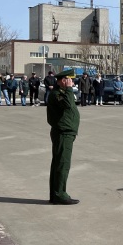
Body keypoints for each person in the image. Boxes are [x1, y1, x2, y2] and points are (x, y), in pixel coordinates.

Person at [47, 69, 80, 205]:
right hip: (63, 132)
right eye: (69, 79)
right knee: (62, 164)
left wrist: (68, 90)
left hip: (66, 132)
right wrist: (69, 89)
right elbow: (68, 105)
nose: (71, 82)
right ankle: (60, 194)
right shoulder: (57, 94)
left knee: (60, 163)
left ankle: (57, 194)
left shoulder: (62, 92)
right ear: (62, 80)